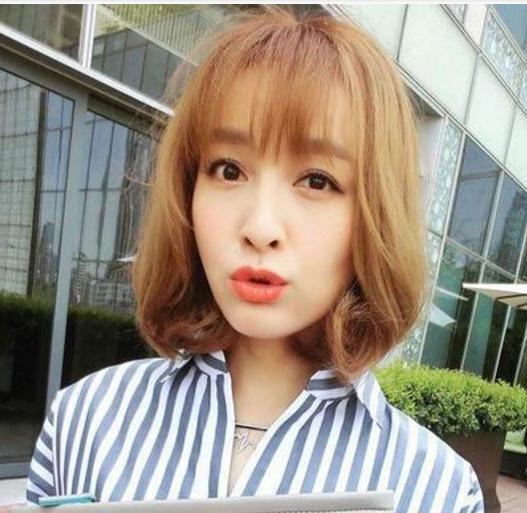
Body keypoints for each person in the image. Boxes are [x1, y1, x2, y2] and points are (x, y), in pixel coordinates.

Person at [24, 6, 484, 512]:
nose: (261, 228)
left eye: (317, 180)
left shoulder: (435, 488)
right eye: (228, 170)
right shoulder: (85, 420)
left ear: (376, 214)